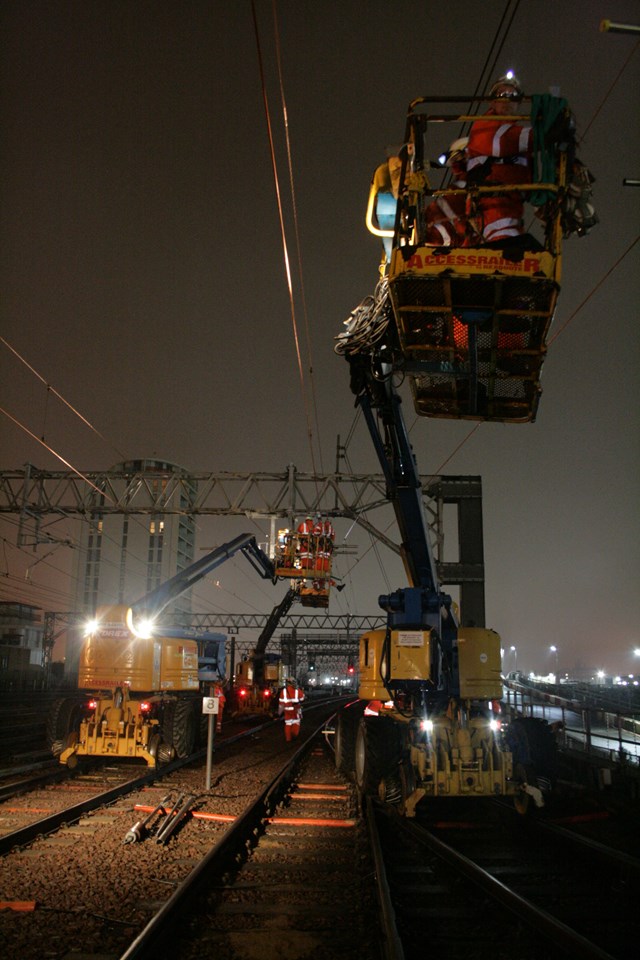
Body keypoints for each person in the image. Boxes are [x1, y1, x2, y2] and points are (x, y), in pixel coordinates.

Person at [465, 74, 533, 245]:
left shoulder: (520, 142)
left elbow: (531, 179)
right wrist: (546, 132)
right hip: (492, 205)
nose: (507, 100)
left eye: (513, 96)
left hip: (512, 206)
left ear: (519, 103)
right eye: (502, 95)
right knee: (505, 248)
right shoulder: (483, 127)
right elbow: (507, 140)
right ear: (492, 102)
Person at [278, 677, 305, 742]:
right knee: (296, 723)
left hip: (287, 710)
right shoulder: (297, 690)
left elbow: (281, 702)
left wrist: (279, 712)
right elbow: (302, 699)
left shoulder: (283, 691)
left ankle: (288, 739)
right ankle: (294, 735)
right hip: (296, 709)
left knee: (288, 724)